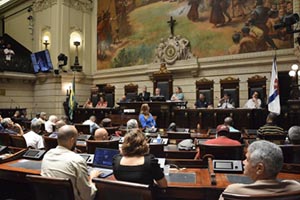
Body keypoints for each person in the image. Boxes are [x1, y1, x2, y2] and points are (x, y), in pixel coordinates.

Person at [219, 140, 300, 200]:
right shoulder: (296, 187)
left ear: (259, 168)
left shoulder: (233, 191)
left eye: (247, 159)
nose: (243, 162)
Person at [41, 125, 100, 200]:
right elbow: (87, 196)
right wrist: (92, 178)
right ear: (72, 140)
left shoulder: (47, 155)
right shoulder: (77, 160)